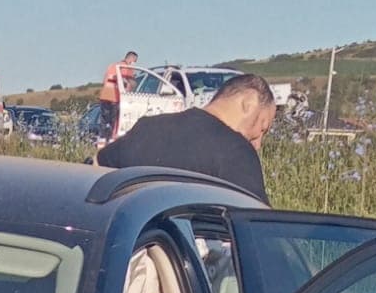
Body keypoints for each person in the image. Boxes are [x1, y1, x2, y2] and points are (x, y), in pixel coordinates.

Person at [97, 71, 275, 201]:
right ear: (248, 103)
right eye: (262, 128)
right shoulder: (237, 152)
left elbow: (96, 168)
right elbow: (259, 224)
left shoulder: (146, 128)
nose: (258, 143)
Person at [98, 50, 138, 141]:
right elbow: (130, 84)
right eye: (135, 61)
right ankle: (111, 139)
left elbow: (104, 81)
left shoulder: (112, 65)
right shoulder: (126, 68)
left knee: (104, 119)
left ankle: (102, 138)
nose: (134, 63)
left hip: (105, 95)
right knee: (114, 120)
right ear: (131, 58)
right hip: (115, 97)